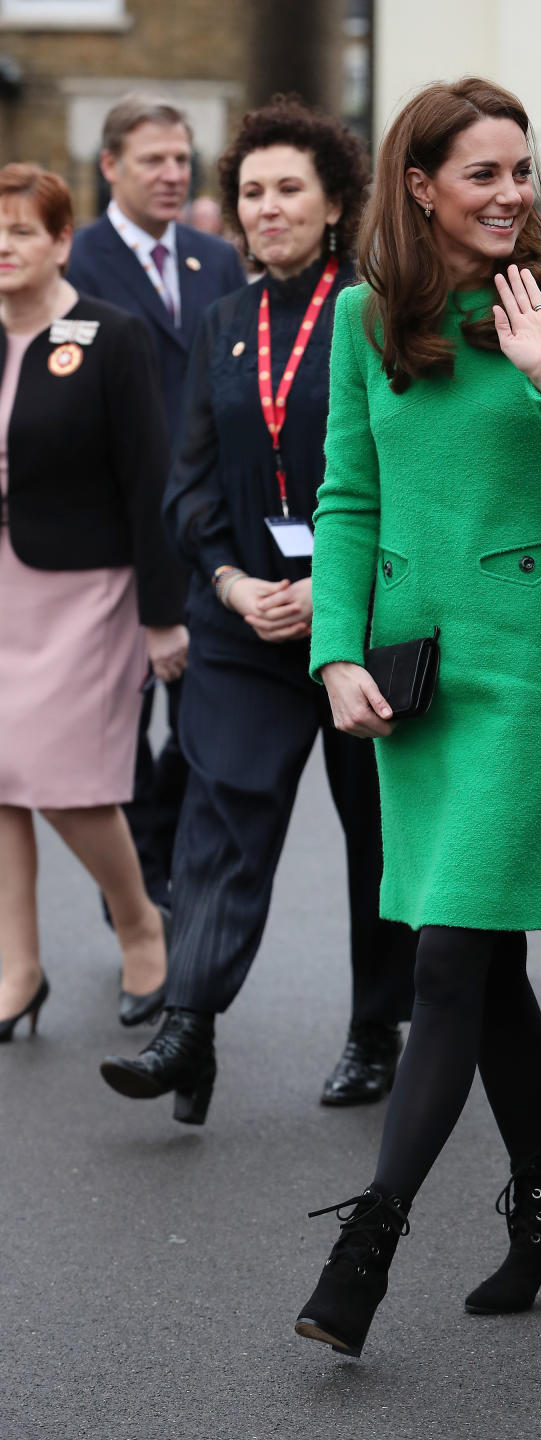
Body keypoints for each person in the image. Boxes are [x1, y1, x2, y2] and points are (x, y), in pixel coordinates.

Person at [292, 77, 541, 1359]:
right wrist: (335, 653)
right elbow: (347, 499)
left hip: (525, 673)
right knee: (485, 958)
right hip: (409, 676)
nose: (511, 195)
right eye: (482, 174)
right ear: (422, 186)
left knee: (446, 955)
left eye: (521, 173)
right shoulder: (362, 320)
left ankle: (364, 1251)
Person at [98, 97, 416, 1122]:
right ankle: (187, 1027)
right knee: (219, 815)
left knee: (377, 835)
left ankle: (377, 1027)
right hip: (244, 615)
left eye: (289, 190)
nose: (266, 208)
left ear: (334, 206)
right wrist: (234, 585)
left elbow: (407, 476)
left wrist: (332, 584)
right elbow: (187, 482)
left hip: (359, 619)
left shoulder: (377, 313)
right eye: (250, 192)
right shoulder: (225, 322)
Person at [0, 163, 181, 1038]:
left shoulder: (112, 336)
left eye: (22, 229)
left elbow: (148, 480)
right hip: (0, 587)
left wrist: (162, 613)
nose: (3, 245)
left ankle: (140, 922)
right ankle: (18, 970)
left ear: (63, 240)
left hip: (86, 590)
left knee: (70, 784)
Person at [68, 95, 248, 915]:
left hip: (207, 529)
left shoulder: (216, 258)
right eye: (154, 161)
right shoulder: (76, 263)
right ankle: (137, 890)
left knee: (207, 724)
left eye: (182, 159)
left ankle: (157, 862)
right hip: (110, 534)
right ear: (110, 167)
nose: (174, 174)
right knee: (119, 722)